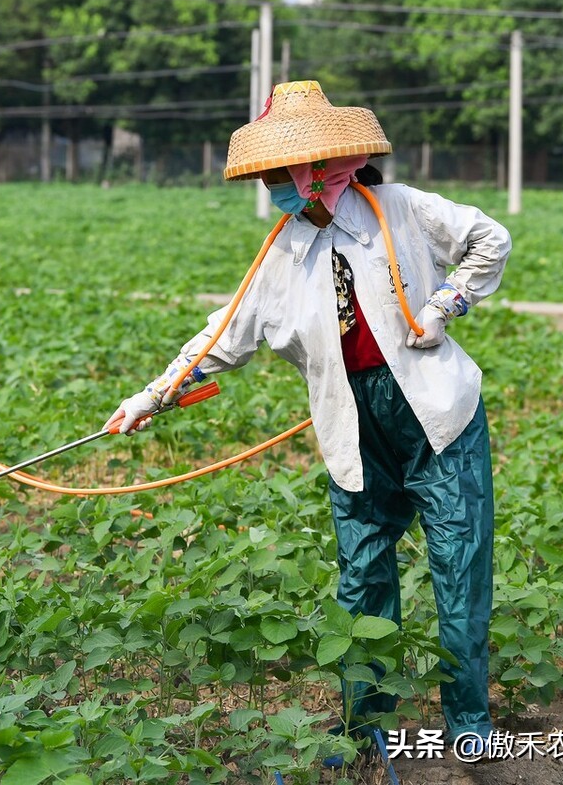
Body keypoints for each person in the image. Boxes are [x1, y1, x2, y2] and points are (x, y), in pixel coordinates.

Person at [106, 81, 510, 749]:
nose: (282, 187)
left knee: (459, 570)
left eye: (290, 173)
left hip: (438, 416)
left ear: (333, 166)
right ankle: (364, 728)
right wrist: (153, 395)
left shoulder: (400, 209)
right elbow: (221, 336)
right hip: (352, 426)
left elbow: (489, 239)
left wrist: (446, 304)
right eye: (275, 176)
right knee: (362, 578)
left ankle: (469, 726)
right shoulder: (280, 257)